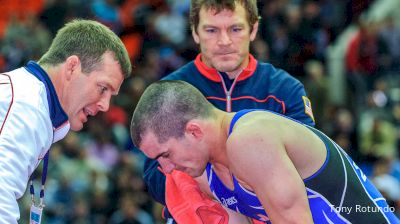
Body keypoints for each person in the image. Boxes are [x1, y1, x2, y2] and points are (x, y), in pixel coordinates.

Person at [132, 80, 400, 224]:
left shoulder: (250, 139)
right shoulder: (205, 170)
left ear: (194, 131)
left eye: (164, 155)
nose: (165, 169)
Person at [142, 0, 316, 221]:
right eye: (211, 30)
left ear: (253, 29)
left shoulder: (285, 89)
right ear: (195, 32)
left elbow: (306, 167)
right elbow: (155, 178)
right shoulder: (167, 93)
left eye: (235, 29)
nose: (224, 41)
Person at [0, 19, 132, 223]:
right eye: (103, 88)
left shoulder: (34, 102)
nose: (105, 105)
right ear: (72, 67)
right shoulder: (26, 105)